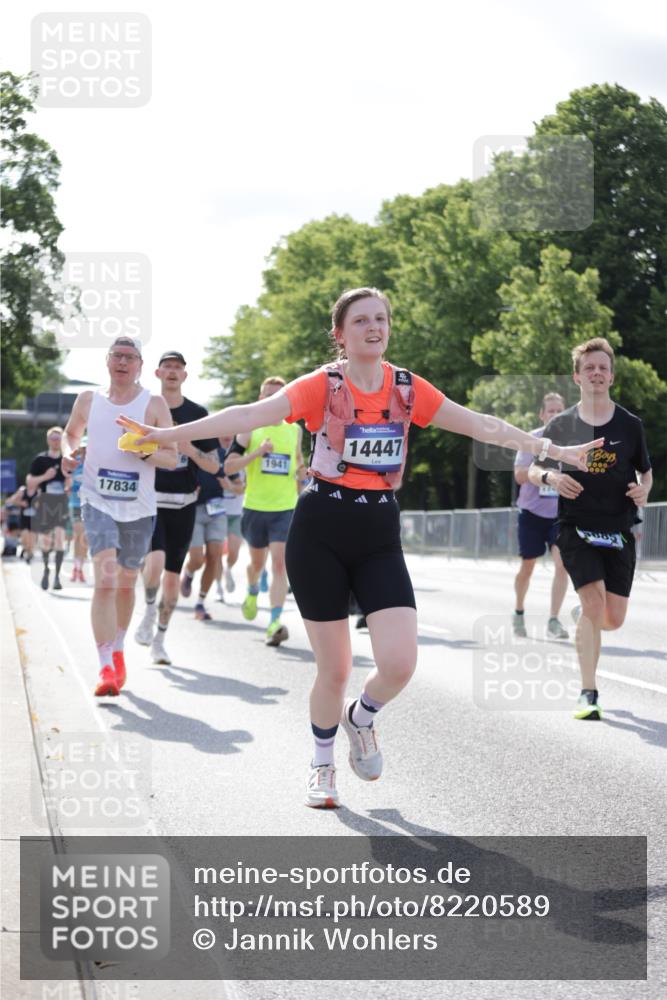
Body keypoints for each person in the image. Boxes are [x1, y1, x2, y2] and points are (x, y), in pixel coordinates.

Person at [118, 287, 600, 806]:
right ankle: (322, 764)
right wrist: (166, 435)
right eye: (362, 320)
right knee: (336, 668)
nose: (374, 327)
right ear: (340, 335)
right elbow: (245, 415)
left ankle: (361, 717)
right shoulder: (321, 387)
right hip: (320, 528)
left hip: (377, 533)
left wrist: (553, 448)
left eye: (382, 319)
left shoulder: (407, 390)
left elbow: (481, 424)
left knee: (399, 662)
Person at [529, 337, 652, 721]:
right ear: (577, 376)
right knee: (594, 603)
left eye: (602, 367)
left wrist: (644, 489)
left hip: (618, 528)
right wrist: (551, 477)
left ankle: (584, 618)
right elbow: (532, 469)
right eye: (589, 368)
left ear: (611, 376)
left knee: (611, 619)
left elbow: (646, 471)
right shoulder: (561, 424)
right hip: (576, 527)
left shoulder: (630, 425)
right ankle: (588, 693)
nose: (596, 373)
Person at [62, 336, 178, 697]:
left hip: (139, 507)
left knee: (127, 581)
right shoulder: (88, 400)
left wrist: (144, 452)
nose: (122, 362)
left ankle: (118, 648)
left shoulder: (154, 403)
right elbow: (70, 435)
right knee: (106, 578)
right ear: (107, 361)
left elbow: (172, 457)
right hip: (96, 500)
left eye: (130, 357)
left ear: (141, 365)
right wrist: (69, 453)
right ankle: (104, 667)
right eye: (117, 356)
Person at [133, 351, 219, 664]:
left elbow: (213, 467)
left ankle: (159, 639)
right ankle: (148, 609)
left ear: (185, 375)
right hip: (151, 501)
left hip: (184, 505)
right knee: (153, 566)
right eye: (167, 366)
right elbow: (129, 450)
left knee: (172, 578)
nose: (172, 371)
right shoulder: (146, 409)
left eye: (178, 367)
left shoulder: (198, 413)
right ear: (157, 373)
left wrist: (190, 449)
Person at [224, 377, 306, 647]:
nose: (273, 402)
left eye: (278, 396)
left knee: (281, 563)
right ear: (261, 400)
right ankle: (251, 591)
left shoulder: (294, 429)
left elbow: (298, 463)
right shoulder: (249, 429)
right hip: (255, 507)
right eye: (268, 396)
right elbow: (230, 465)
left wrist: (303, 474)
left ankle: (274, 622)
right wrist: (257, 453)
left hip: (285, 508)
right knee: (257, 565)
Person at [512, 393, 570, 639]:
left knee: (562, 565)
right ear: (542, 415)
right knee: (528, 567)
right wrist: (545, 473)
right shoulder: (532, 440)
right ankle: (519, 611)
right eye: (551, 411)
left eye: (560, 411)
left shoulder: (571, 443)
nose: (555, 415)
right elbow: (519, 475)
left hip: (559, 515)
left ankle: (554, 619)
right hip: (532, 513)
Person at [181, 436, 244, 620]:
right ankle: (189, 572)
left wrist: (229, 485)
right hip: (194, 510)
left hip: (217, 511)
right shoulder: (191, 454)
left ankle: (200, 603)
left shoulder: (225, 457)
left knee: (215, 556)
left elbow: (240, 488)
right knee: (197, 558)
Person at [27, 427, 68, 590]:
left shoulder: (66, 459)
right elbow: (30, 482)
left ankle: (57, 577)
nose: (56, 440)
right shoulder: (40, 460)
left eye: (58, 438)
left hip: (61, 503)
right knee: (45, 542)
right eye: (53, 438)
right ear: (48, 440)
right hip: (44, 502)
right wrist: (45, 477)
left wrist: (69, 484)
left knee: (59, 539)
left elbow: (73, 479)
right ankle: (46, 569)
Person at [65, 436, 89, 582]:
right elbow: (65, 476)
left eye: (88, 447)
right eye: (83, 447)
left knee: (85, 538)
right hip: (75, 503)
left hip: (91, 504)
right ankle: (76, 567)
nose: (85, 450)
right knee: (78, 533)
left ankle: (80, 566)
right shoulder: (75, 462)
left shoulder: (97, 462)